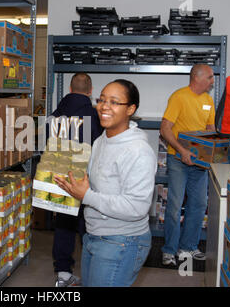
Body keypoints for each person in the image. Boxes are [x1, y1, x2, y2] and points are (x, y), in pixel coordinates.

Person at [54, 79, 156, 287]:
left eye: (114, 102)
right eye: (101, 100)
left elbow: (137, 207)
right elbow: (95, 184)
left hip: (121, 241)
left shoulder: (138, 151)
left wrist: (87, 195)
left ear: (131, 109)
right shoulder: (102, 139)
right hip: (94, 235)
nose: (104, 106)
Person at [46, 73, 103, 287]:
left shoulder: (54, 114)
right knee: (90, 224)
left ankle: (62, 274)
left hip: (61, 176)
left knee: (64, 224)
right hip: (87, 178)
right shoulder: (96, 115)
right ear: (90, 91)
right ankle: (94, 273)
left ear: (70, 89)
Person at [160, 64, 215, 266]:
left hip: (199, 163)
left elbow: (210, 128)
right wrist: (182, 151)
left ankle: (188, 247)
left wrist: (213, 150)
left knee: (199, 204)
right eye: (210, 77)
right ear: (197, 78)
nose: (212, 80)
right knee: (174, 205)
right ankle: (169, 250)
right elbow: (165, 128)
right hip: (179, 160)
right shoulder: (179, 97)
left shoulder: (208, 100)